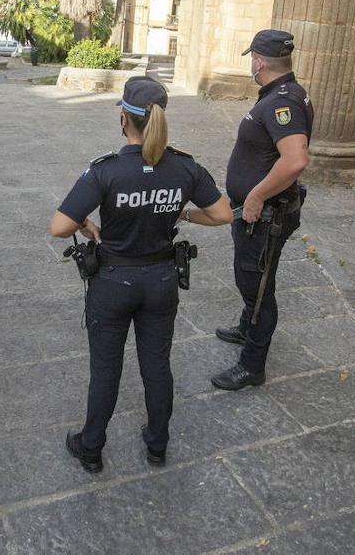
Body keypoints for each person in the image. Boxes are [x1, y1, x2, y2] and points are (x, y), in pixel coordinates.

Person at [51, 76, 232, 472]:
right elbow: (222, 215)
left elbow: (58, 227)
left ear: (123, 120)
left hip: (113, 283)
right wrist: (183, 212)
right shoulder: (185, 168)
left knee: (105, 369)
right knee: (156, 365)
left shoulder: (106, 171)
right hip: (161, 282)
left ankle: (92, 447)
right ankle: (157, 445)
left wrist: (84, 222)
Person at [210, 29, 313, 391]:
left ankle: (252, 365)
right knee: (255, 276)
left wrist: (254, 197)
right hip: (263, 215)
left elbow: (296, 160)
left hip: (265, 216)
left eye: (251, 59)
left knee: (257, 286)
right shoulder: (282, 94)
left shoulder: (281, 103)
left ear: (258, 61)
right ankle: (245, 327)